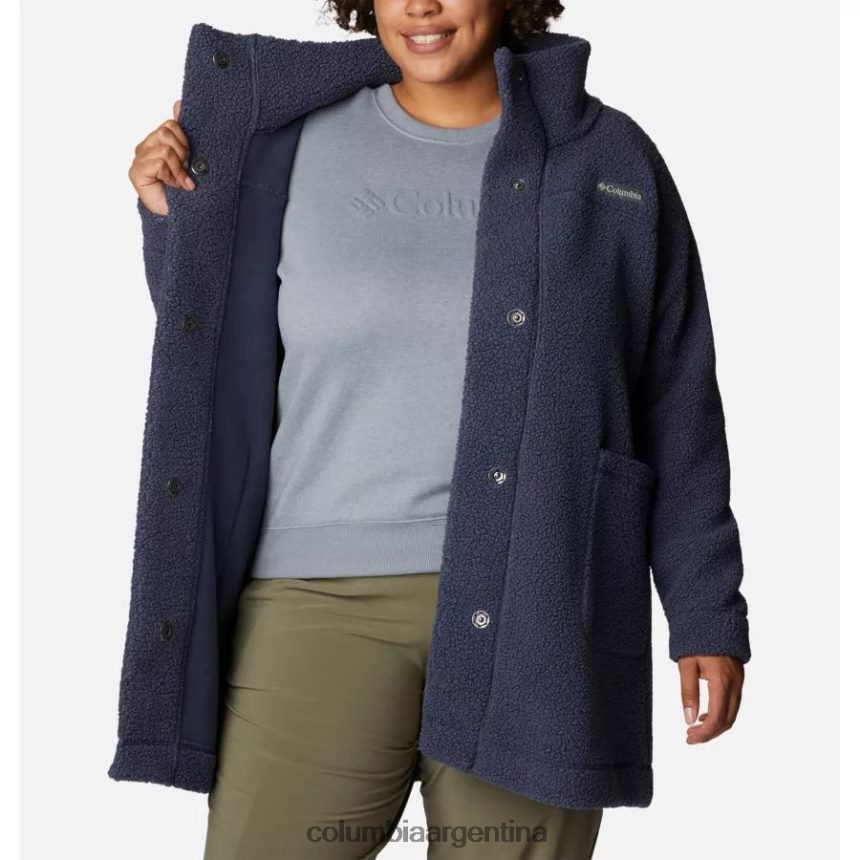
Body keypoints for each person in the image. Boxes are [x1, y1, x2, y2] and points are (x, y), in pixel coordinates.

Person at [115, 1, 751, 857]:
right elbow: (212, 355)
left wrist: (706, 612)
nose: (420, 5)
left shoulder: (608, 161)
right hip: (316, 600)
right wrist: (172, 219)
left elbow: (676, 398)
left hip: (543, 605)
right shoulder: (286, 145)